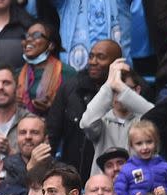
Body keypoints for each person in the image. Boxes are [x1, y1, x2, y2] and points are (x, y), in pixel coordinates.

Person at [47, 39, 122, 181]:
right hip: (73, 175)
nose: (93, 62)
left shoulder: (127, 90)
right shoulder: (70, 88)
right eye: (91, 56)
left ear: (116, 63)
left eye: (101, 57)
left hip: (115, 177)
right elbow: (52, 133)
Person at [80, 58, 154, 177]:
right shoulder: (101, 122)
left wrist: (120, 87)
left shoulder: (143, 121)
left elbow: (156, 115)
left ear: (137, 90)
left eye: (126, 89)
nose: (120, 96)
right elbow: (86, 123)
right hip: (103, 190)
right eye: (115, 90)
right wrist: (109, 84)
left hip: (138, 187)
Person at [115, 121, 167, 195]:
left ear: (156, 142)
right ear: (131, 145)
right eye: (139, 143)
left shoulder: (166, 167)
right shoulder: (126, 169)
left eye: (149, 142)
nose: (145, 147)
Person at [17, 21, 75, 117]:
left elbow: (77, 109)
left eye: (36, 35)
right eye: (26, 36)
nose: (28, 39)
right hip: (23, 128)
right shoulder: (17, 74)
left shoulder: (67, 73)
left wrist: (55, 107)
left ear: (51, 45)